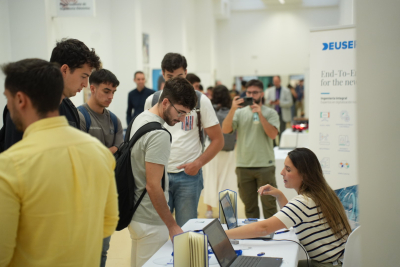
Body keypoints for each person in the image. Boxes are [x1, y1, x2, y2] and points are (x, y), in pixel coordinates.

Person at [0, 58, 119, 267]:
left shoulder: (10, 165)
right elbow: (108, 222)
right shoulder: (100, 154)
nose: (8, 106)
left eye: (7, 98)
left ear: (20, 100)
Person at [226, 148, 351, 267]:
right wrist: (279, 195)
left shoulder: (304, 202)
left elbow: (263, 228)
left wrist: (223, 236)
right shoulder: (321, 193)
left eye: (288, 169)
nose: (282, 172)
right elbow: (294, 219)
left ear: (304, 175)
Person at [144, 53, 224, 227]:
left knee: (186, 231)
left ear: (186, 73)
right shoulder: (153, 100)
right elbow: (146, 137)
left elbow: (218, 140)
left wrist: (198, 164)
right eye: (169, 77)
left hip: (188, 176)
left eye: (179, 76)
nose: (174, 81)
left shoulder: (200, 101)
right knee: (159, 230)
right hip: (160, 176)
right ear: (163, 75)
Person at [129, 77, 198, 266]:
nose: (182, 119)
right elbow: (153, 186)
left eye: (186, 114)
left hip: (135, 213)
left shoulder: (141, 118)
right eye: (181, 112)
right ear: (165, 102)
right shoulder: (159, 135)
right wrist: (172, 225)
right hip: (151, 219)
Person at [0, 38, 101, 152]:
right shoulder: (24, 108)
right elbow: (14, 159)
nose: (85, 84)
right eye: (83, 76)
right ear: (64, 70)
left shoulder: (71, 110)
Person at [77, 69, 123, 267]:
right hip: (84, 194)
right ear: (92, 88)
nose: (110, 96)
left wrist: (101, 151)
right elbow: (81, 154)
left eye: (113, 92)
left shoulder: (115, 120)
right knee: (84, 250)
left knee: (103, 250)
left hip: (107, 193)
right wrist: (109, 150)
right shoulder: (79, 116)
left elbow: (120, 148)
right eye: (106, 91)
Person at [222, 79, 279, 219]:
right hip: (244, 166)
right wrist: (233, 108)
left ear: (262, 93)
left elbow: (272, 134)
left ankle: (273, 238)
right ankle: (254, 237)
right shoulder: (239, 113)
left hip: (265, 165)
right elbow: (225, 129)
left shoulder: (270, 113)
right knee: (250, 207)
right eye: (249, 92)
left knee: (269, 206)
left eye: (255, 92)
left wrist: (260, 114)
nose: (252, 95)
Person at [203, 85, 238, 218]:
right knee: (227, 179)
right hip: (228, 149)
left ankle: (209, 210)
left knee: (210, 178)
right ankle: (227, 211)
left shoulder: (210, 109)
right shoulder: (232, 110)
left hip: (211, 148)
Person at [264, 75, 293, 142]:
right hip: (273, 114)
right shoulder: (270, 90)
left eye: (277, 81)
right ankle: (273, 145)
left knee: (282, 131)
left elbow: (290, 102)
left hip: (282, 114)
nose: (275, 83)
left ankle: (281, 144)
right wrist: (270, 102)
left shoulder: (286, 91)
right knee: (272, 130)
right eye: (274, 82)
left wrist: (280, 103)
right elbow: (266, 101)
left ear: (280, 81)